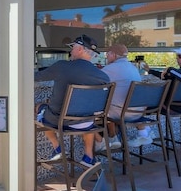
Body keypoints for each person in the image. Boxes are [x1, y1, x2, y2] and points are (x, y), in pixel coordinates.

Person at [35, 34, 110, 168]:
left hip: (60, 121)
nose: (70, 51)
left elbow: (36, 77)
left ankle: (57, 147)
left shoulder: (62, 66)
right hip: (87, 123)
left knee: (38, 107)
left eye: (73, 48)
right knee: (87, 114)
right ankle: (88, 157)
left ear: (80, 49)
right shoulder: (102, 76)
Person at [135, 45, 181, 147]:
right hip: (170, 104)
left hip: (171, 106)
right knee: (141, 103)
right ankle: (146, 131)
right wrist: (150, 71)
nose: (177, 58)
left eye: (179, 56)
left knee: (137, 104)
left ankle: (144, 133)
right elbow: (165, 76)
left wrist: (171, 69)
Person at [94, 44, 142, 151]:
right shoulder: (133, 68)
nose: (106, 57)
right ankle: (112, 137)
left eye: (107, 54)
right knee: (110, 101)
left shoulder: (111, 68)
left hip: (122, 113)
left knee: (94, 108)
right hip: (137, 113)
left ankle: (104, 140)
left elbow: (94, 81)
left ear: (114, 55)